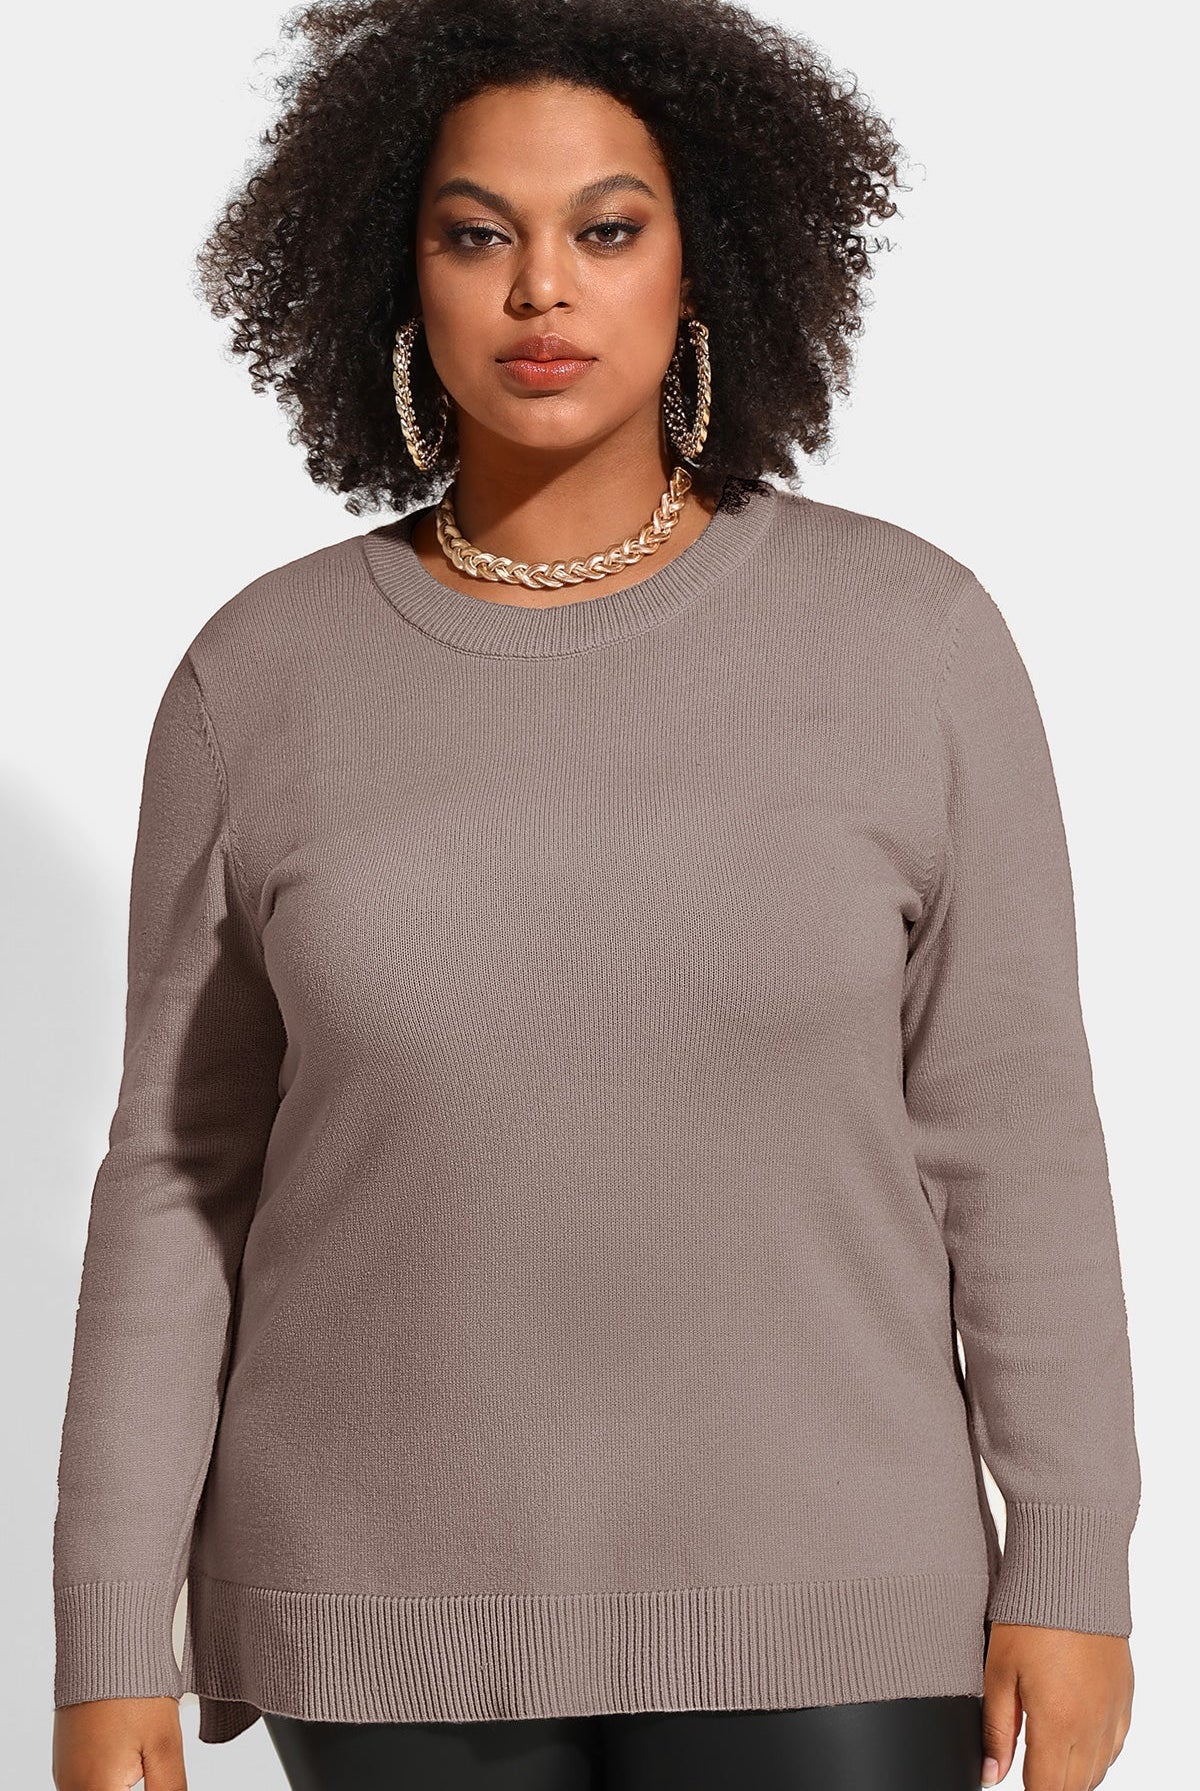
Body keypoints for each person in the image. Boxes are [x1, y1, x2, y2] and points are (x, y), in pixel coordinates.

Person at [50, 0, 1141, 1786]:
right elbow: (177, 1181)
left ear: (703, 260)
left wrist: (1073, 1559)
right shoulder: (261, 679)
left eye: (608, 230)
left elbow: (1015, 1132)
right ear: (397, 275)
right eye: (478, 236)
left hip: (835, 1597)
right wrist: (107, 1641)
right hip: (383, 1618)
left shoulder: (910, 639)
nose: (542, 289)